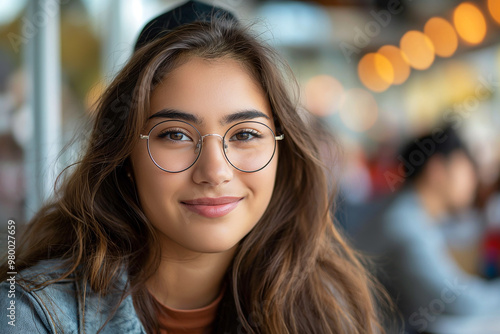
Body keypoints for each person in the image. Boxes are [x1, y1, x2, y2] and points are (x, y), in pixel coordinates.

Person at [0, 1, 387, 333]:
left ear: (282, 149)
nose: (215, 171)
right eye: (176, 135)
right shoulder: (35, 316)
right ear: (124, 156)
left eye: (245, 134)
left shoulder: (328, 307)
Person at [349, 126, 500, 333]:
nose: (473, 180)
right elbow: (454, 300)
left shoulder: (408, 210)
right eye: (467, 168)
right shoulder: (405, 224)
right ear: (437, 170)